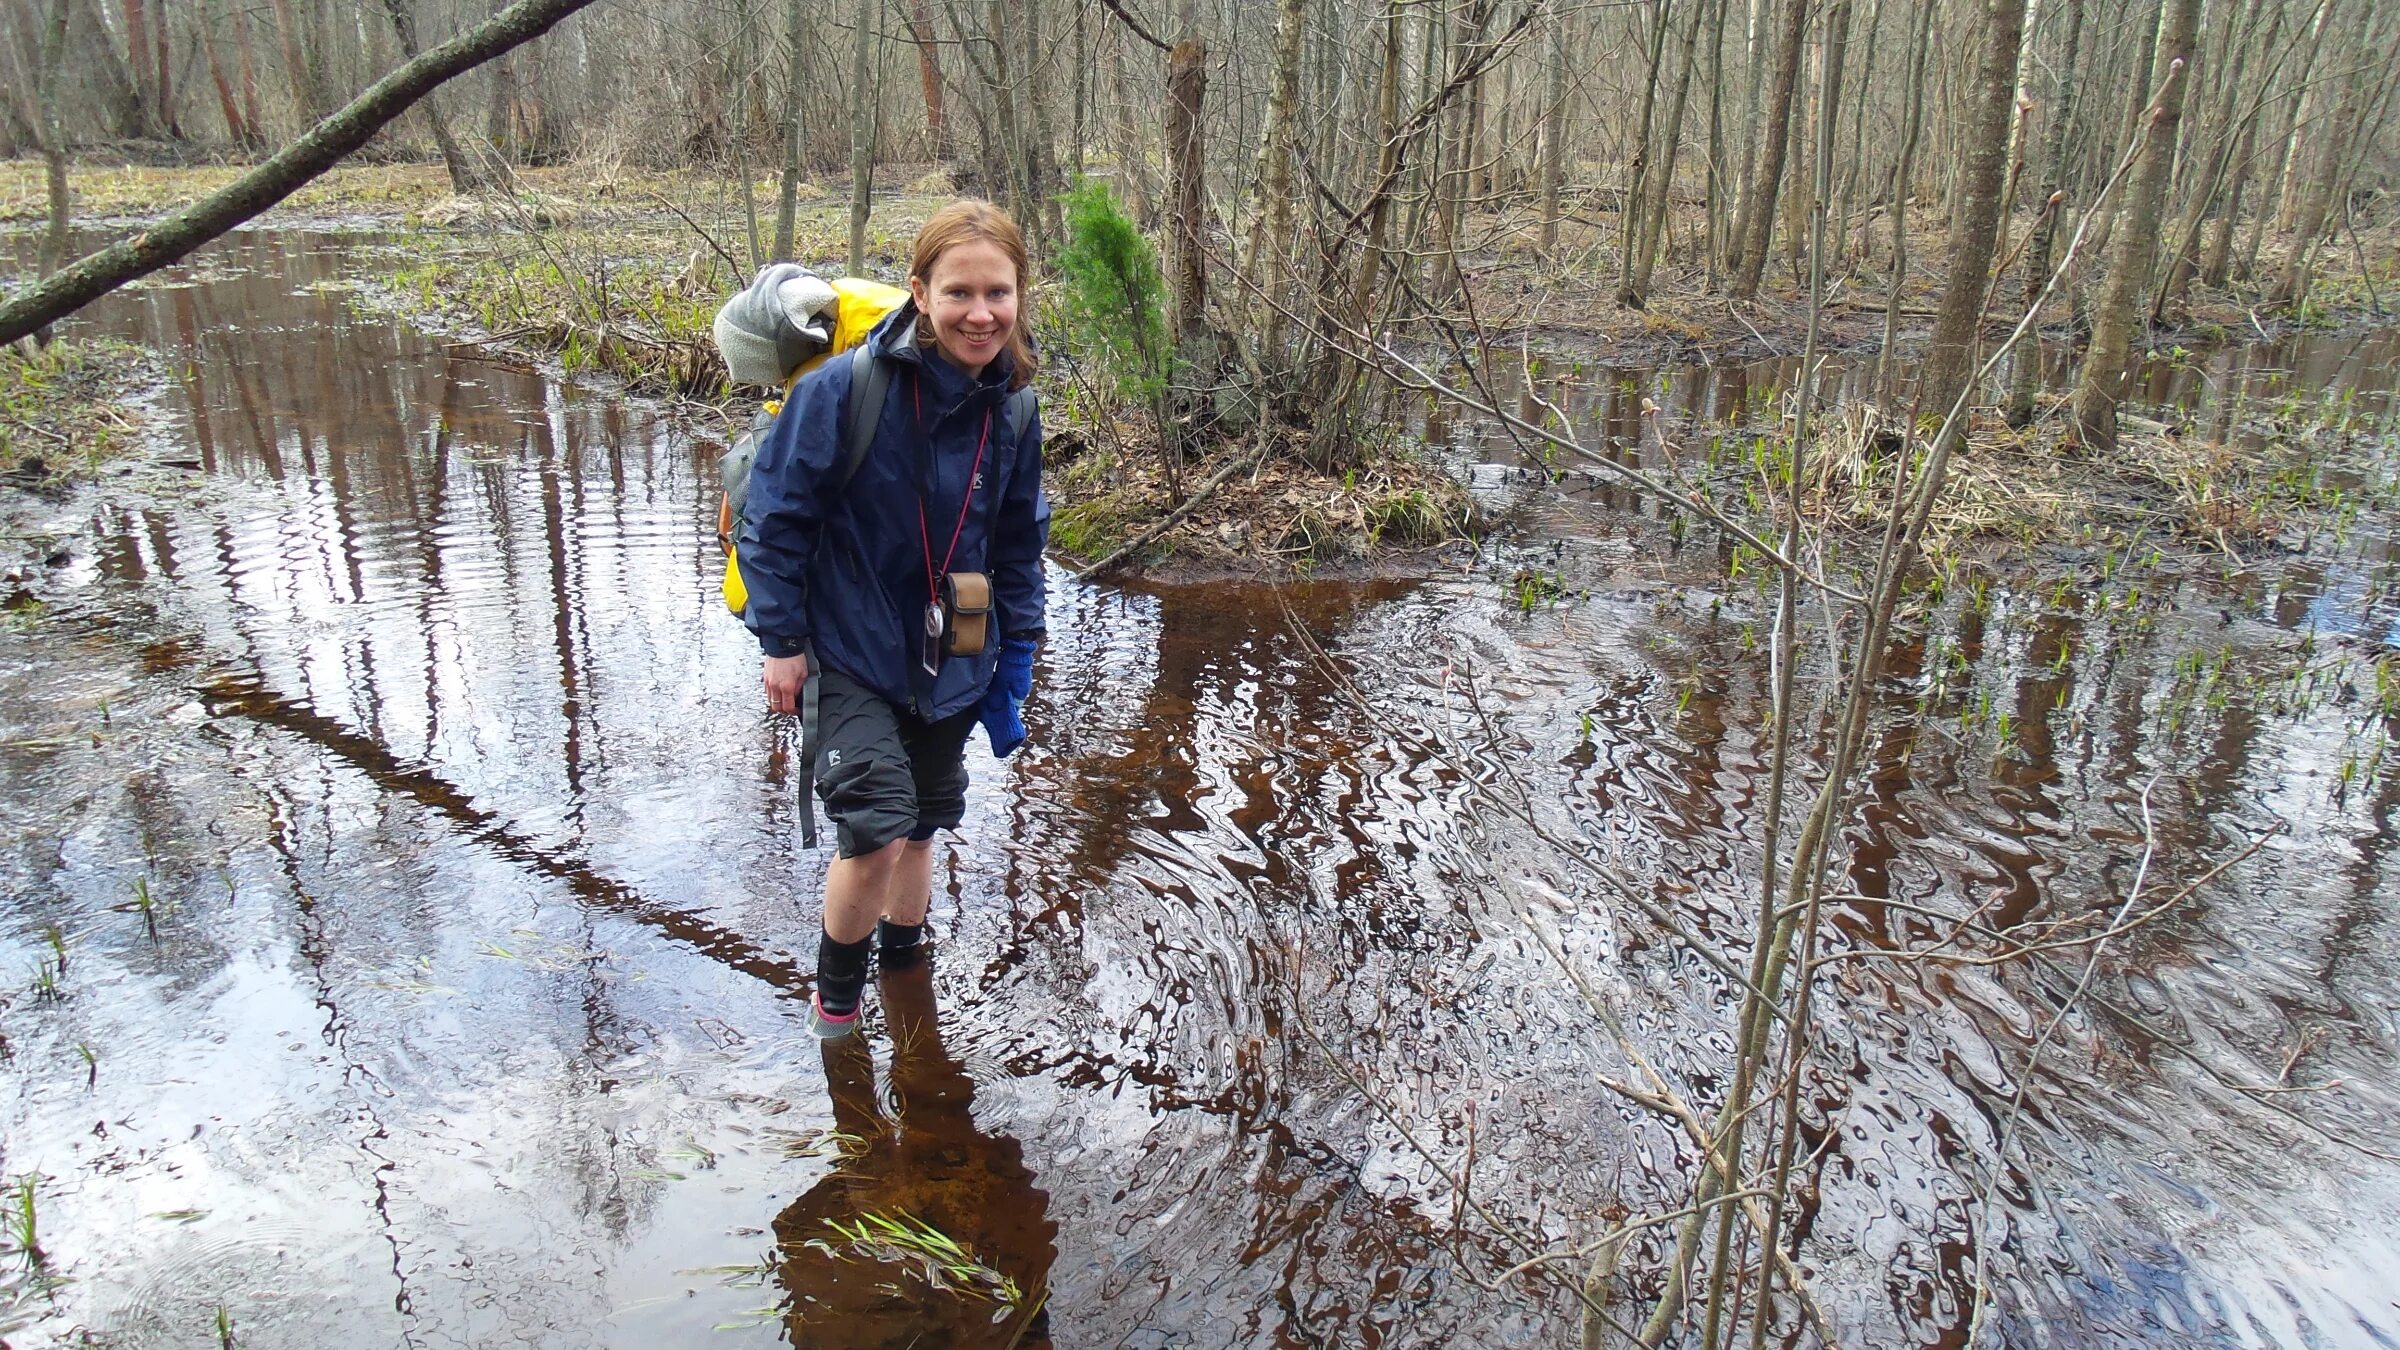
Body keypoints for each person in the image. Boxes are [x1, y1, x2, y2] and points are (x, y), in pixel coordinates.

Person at [739, 200, 1049, 1038]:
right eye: (958, 293)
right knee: (873, 832)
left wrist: (1016, 652)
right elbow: (775, 518)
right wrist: (782, 643)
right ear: (919, 292)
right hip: (847, 646)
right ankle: (837, 1006)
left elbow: (1020, 541)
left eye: (997, 292)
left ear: (1021, 295)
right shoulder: (847, 389)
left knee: (922, 824)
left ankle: (907, 972)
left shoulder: (1014, 407)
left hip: (956, 647)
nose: (979, 313)